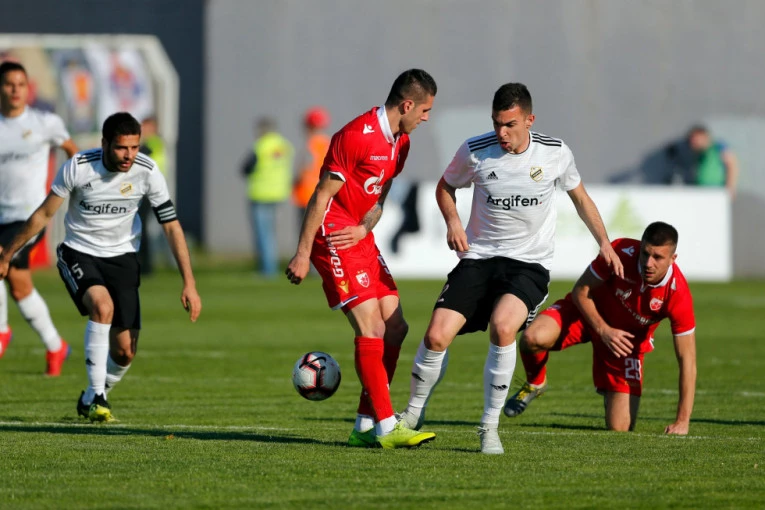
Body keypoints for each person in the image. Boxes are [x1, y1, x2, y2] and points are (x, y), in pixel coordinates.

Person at [397, 82, 624, 455]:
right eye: (497, 123)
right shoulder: (475, 150)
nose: (501, 133)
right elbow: (445, 187)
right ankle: (413, 413)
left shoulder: (555, 153)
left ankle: (489, 428)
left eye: (510, 124)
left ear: (529, 120)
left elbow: (581, 198)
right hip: (478, 258)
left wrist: (604, 242)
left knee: (503, 327)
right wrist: (453, 221)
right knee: (436, 336)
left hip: (528, 263)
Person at [0, 112, 201, 422]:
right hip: (79, 252)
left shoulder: (147, 171)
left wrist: (189, 282)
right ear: (105, 143)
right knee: (102, 306)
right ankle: (97, 397)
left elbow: (171, 226)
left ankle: (91, 395)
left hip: (123, 258)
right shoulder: (79, 167)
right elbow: (43, 215)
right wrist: (7, 255)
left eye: (134, 147)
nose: (129, 155)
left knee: (124, 352)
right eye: (121, 147)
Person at [285, 69, 438, 449]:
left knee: (396, 327)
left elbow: (379, 198)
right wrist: (303, 253)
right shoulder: (356, 135)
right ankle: (387, 426)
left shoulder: (401, 143)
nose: (426, 118)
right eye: (424, 110)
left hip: (357, 234)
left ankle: (364, 424)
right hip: (332, 234)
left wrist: (365, 228)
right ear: (407, 105)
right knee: (372, 328)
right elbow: (321, 196)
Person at [504, 222, 696, 435]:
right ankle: (535, 382)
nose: (648, 263)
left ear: (673, 258)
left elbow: (687, 360)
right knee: (532, 337)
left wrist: (682, 421)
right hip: (585, 313)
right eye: (645, 253)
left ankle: (610, 391)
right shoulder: (620, 252)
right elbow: (580, 290)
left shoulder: (678, 293)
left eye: (658, 257)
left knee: (620, 428)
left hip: (623, 343)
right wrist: (603, 330)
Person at [0, 61, 78, 376]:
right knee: (20, 287)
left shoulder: (45, 123)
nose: (15, 90)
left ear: (27, 87)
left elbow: (72, 151)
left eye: (21, 84)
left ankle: (1, 331)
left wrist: (80, 188)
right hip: (1, 217)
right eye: (9, 84)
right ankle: (56, 346)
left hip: (31, 218)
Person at [241, 117, 294, 278]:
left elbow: (245, 168)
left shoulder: (260, 146)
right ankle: (271, 267)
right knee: (271, 234)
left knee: (263, 234)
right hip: (278, 194)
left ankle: (267, 269)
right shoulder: (284, 145)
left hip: (261, 194)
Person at [293, 106, 331, 222]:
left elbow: (304, 169)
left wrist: (294, 182)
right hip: (324, 194)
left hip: (306, 194)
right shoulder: (328, 143)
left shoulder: (310, 144)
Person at [686, 124, 739, 199]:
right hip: (701, 192)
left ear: (705, 137)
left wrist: (731, 187)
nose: (694, 143)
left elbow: (732, 164)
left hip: (717, 191)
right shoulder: (699, 153)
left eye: (696, 139)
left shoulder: (718, 146)